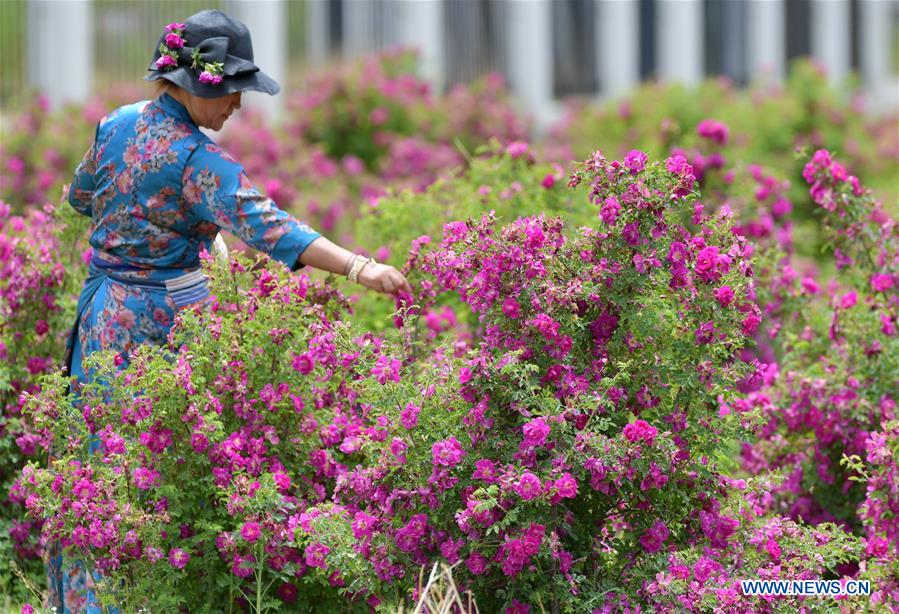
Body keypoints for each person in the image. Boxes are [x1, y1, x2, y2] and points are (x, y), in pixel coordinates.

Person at [50, 9, 411, 612]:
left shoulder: (113, 124)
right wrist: (358, 267)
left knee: (100, 473)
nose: (239, 105)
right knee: (160, 476)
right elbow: (270, 226)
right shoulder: (199, 161)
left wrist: (170, 229)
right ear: (198, 85)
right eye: (233, 91)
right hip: (162, 327)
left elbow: (80, 196)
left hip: (102, 316)